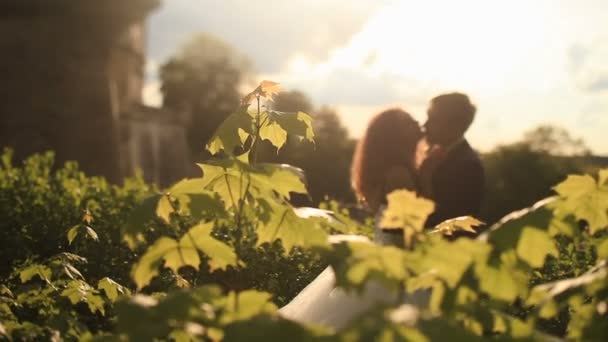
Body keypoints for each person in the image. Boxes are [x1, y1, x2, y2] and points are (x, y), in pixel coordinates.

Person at [278, 108, 424, 330]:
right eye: (409, 122)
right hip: (395, 266)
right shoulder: (399, 174)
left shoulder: (388, 171)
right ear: (394, 136)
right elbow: (403, 231)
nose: (417, 123)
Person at [416, 93, 484, 229]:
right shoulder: (438, 157)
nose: (425, 125)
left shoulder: (467, 167)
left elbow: (450, 223)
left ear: (455, 124)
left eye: (433, 118)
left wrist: (425, 180)